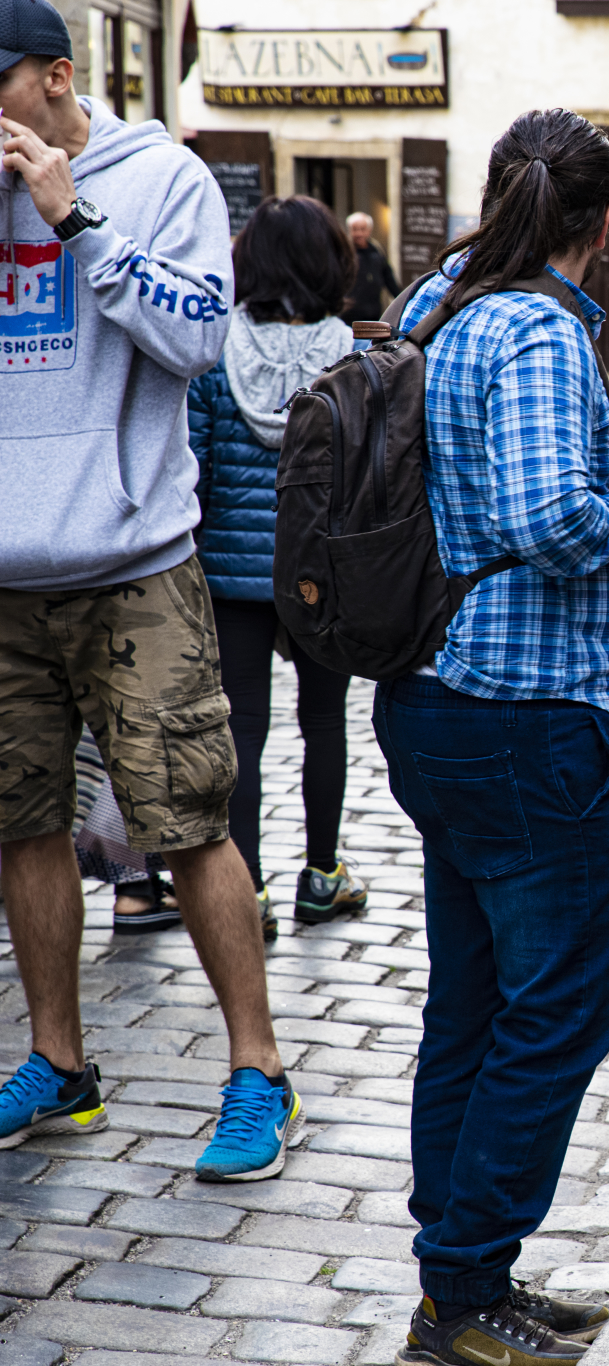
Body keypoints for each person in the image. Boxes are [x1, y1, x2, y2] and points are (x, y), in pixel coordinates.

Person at [379, 108, 609, 1366]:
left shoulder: (437, 304)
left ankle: (459, 1265)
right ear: (601, 220)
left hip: (436, 700)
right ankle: (463, 1290)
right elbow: (550, 522)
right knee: (557, 1006)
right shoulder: (536, 332)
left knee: (471, 999)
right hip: (528, 714)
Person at [0, 0, 299, 1180]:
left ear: (58, 78)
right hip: (5, 581)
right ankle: (60, 1066)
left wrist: (74, 221)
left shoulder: (161, 176)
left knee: (186, 824)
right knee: (22, 827)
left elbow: (195, 341)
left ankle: (256, 1070)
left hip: (133, 565)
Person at [189, 195, 368, 936]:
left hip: (233, 579)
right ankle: (322, 876)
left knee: (244, 733)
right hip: (323, 572)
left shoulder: (212, 353)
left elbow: (192, 471)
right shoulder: (353, 359)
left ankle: (250, 890)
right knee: (324, 721)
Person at [342, 211, 402, 324]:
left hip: (374, 313)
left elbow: (389, 278)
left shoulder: (377, 250)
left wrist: (402, 299)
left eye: (362, 229)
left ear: (369, 230)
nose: (359, 233)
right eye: (355, 229)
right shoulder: (343, 251)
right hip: (348, 315)